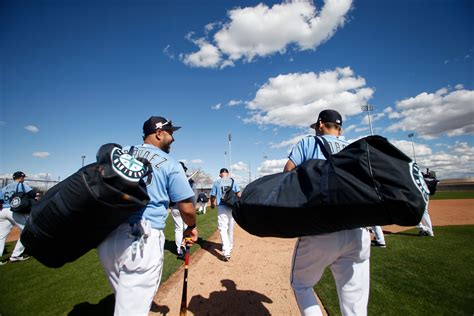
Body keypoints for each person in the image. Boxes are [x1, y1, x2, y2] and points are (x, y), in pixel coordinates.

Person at [97, 116, 198, 315]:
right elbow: (187, 208)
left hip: (106, 237)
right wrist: (192, 227)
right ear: (159, 133)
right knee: (131, 310)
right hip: (142, 240)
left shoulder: (121, 152)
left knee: (124, 302)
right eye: (171, 133)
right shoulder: (170, 163)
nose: (173, 139)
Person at [283, 109, 371, 316]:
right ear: (339, 129)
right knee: (355, 304)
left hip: (321, 227)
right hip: (359, 230)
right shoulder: (355, 147)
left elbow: (287, 173)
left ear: (321, 124)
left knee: (302, 285)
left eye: (317, 127)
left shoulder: (309, 142)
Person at [0, 171, 36, 264]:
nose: (23, 179)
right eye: (23, 177)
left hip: (2, 211)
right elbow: (32, 193)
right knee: (27, 231)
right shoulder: (20, 184)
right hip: (13, 211)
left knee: (1, 236)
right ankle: (16, 255)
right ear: (21, 177)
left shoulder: (5, 187)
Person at [210, 168, 240, 261]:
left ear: (220, 174)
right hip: (232, 206)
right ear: (228, 174)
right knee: (230, 228)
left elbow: (212, 196)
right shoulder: (232, 181)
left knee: (223, 229)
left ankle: (226, 252)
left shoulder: (217, 183)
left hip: (222, 206)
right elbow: (238, 194)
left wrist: (212, 204)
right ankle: (229, 247)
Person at [170, 161, 193, 259]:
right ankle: (184, 248)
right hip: (185, 206)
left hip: (174, 206)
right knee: (186, 228)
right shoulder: (189, 181)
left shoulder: (171, 178)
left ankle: (180, 250)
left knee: (178, 229)